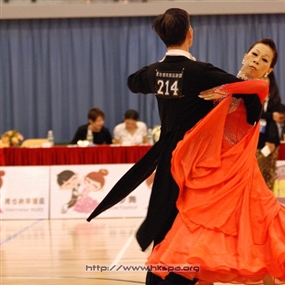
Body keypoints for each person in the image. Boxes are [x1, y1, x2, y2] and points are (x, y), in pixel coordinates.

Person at [87, 8, 258, 285]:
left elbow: (133, 81)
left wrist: (160, 73)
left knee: (166, 224)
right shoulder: (200, 72)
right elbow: (243, 87)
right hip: (195, 162)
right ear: (189, 34)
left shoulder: (155, 72)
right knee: (191, 223)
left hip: (168, 160)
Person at [146, 39, 285, 284]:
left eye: (264, 60)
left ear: (269, 71)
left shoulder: (257, 89)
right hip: (211, 170)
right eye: (254, 54)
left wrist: (225, 90)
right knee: (207, 235)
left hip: (239, 174)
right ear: (244, 55)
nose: (256, 61)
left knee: (260, 229)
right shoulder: (219, 82)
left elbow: (254, 87)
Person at [256, 72, 284, 190]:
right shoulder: (253, 99)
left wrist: (273, 141)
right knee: (254, 179)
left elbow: (279, 122)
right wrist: (271, 115)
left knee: (267, 180)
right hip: (254, 145)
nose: (263, 79)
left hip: (270, 146)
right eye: (260, 76)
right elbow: (254, 114)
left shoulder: (277, 104)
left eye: (265, 77)